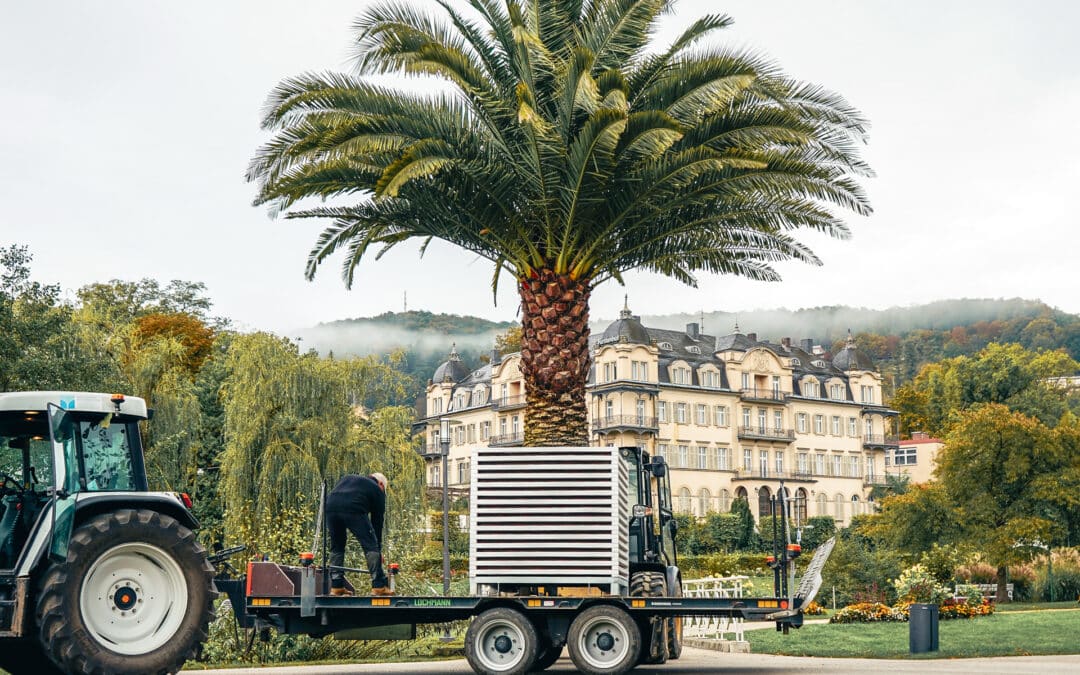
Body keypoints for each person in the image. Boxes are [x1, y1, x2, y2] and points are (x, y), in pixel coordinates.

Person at [326, 472, 392, 596]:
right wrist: (378, 549)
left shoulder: (348, 478)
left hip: (331, 506)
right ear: (381, 484)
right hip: (353, 508)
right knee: (369, 544)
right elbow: (377, 523)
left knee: (337, 546)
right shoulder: (377, 490)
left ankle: (336, 586)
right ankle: (379, 586)